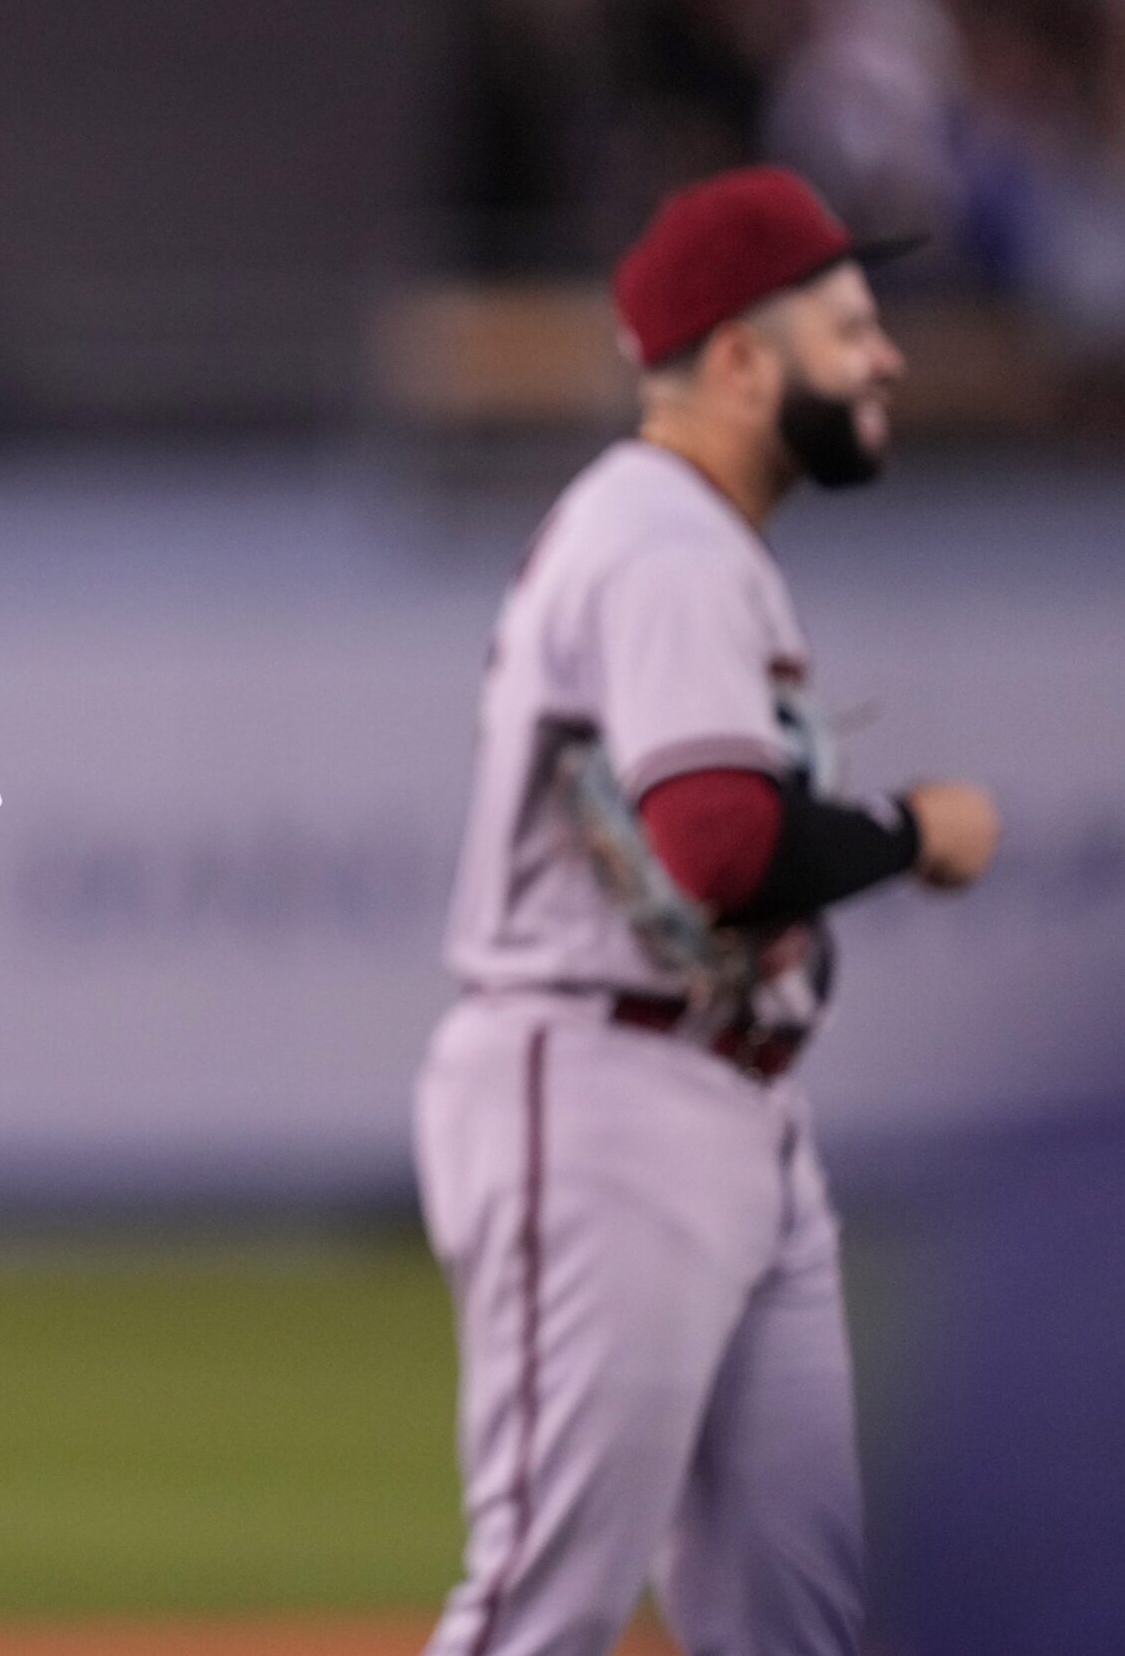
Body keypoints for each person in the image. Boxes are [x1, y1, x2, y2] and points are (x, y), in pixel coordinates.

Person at [414, 165, 999, 1656]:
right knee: (547, 1604)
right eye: (851, 325)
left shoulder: (694, 539)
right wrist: (915, 831)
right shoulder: (660, 540)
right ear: (741, 356)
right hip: (609, 1097)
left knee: (796, 1617)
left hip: (728, 1092)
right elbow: (725, 846)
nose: (888, 358)